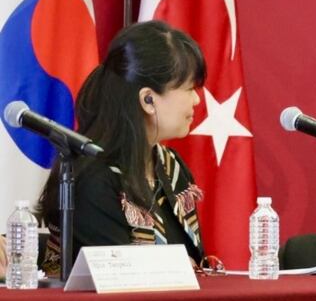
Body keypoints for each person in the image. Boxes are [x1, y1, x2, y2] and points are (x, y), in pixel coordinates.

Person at [38, 21, 207, 271]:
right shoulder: (91, 178)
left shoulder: (172, 167)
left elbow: (195, 263)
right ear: (148, 100)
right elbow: (122, 280)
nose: (196, 99)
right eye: (189, 88)